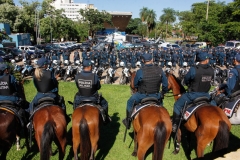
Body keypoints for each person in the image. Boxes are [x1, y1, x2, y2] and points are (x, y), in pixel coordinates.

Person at [122, 53, 168, 129]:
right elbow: (165, 84)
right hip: (156, 95)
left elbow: (135, 84)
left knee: (129, 102)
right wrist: (163, 92)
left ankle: (128, 120)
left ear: (143, 61)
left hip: (142, 95)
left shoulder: (140, 71)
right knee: (161, 106)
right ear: (152, 60)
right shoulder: (160, 70)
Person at [172, 52, 214, 134]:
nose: (209, 60)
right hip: (206, 95)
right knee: (215, 107)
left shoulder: (194, 69)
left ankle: (175, 125)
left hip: (193, 95)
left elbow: (186, 80)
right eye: (208, 59)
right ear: (205, 60)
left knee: (177, 105)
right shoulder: (211, 69)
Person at [29, 57, 70, 123]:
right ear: (45, 65)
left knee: (31, 105)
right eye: (47, 64)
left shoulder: (35, 74)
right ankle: (65, 118)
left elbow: (35, 85)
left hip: (39, 96)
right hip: (51, 95)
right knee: (62, 103)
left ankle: (30, 121)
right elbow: (54, 84)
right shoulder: (50, 73)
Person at [73, 59, 111, 124]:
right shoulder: (94, 76)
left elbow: (77, 86)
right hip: (93, 98)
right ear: (90, 66)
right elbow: (98, 87)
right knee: (105, 103)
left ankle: (74, 116)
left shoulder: (77, 76)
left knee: (75, 105)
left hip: (80, 98)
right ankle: (105, 118)